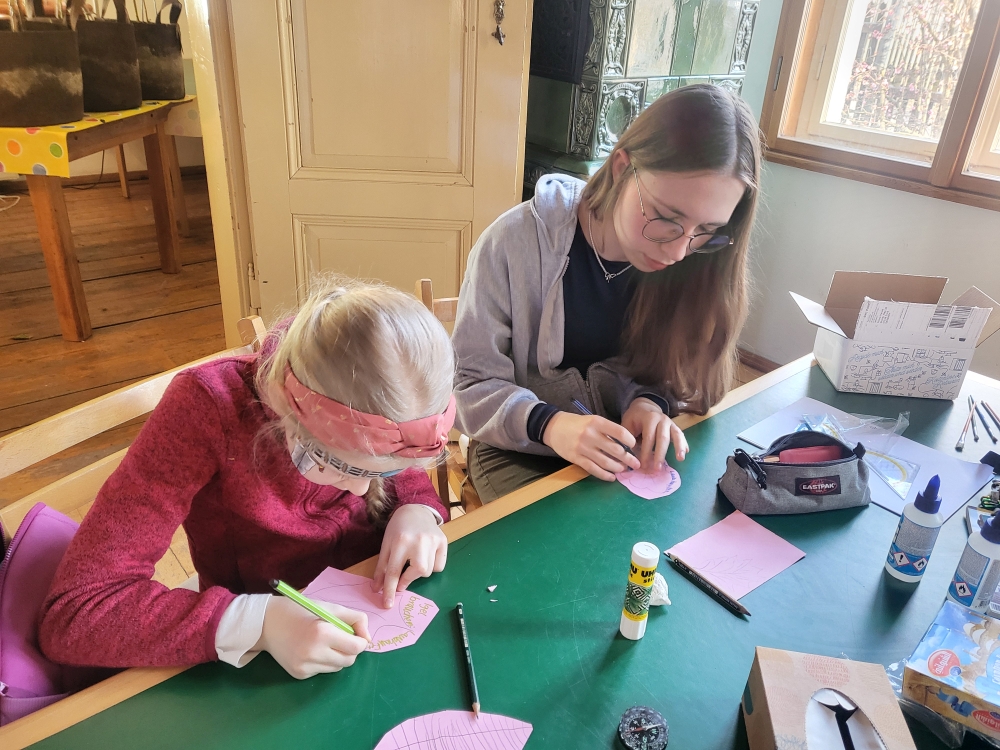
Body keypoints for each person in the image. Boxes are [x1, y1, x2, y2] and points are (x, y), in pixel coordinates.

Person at [39, 277, 456, 680]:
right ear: (285, 411)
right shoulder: (206, 408)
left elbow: (387, 462)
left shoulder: (376, 401)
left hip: (373, 611)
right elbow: (76, 613)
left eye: (386, 471)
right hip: (259, 646)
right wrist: (259, 624)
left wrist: (417, 508)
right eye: (336, 464)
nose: (363, 490)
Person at [453, 84, 762, 503]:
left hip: (623, 446)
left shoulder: (696, 263)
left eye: (706, 231)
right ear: (621, 168)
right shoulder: (512, 244)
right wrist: (549, 424)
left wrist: (649, 402)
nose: (677, 252)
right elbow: (469, 385)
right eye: (666, 217)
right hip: (520, 447)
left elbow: (674, 375)